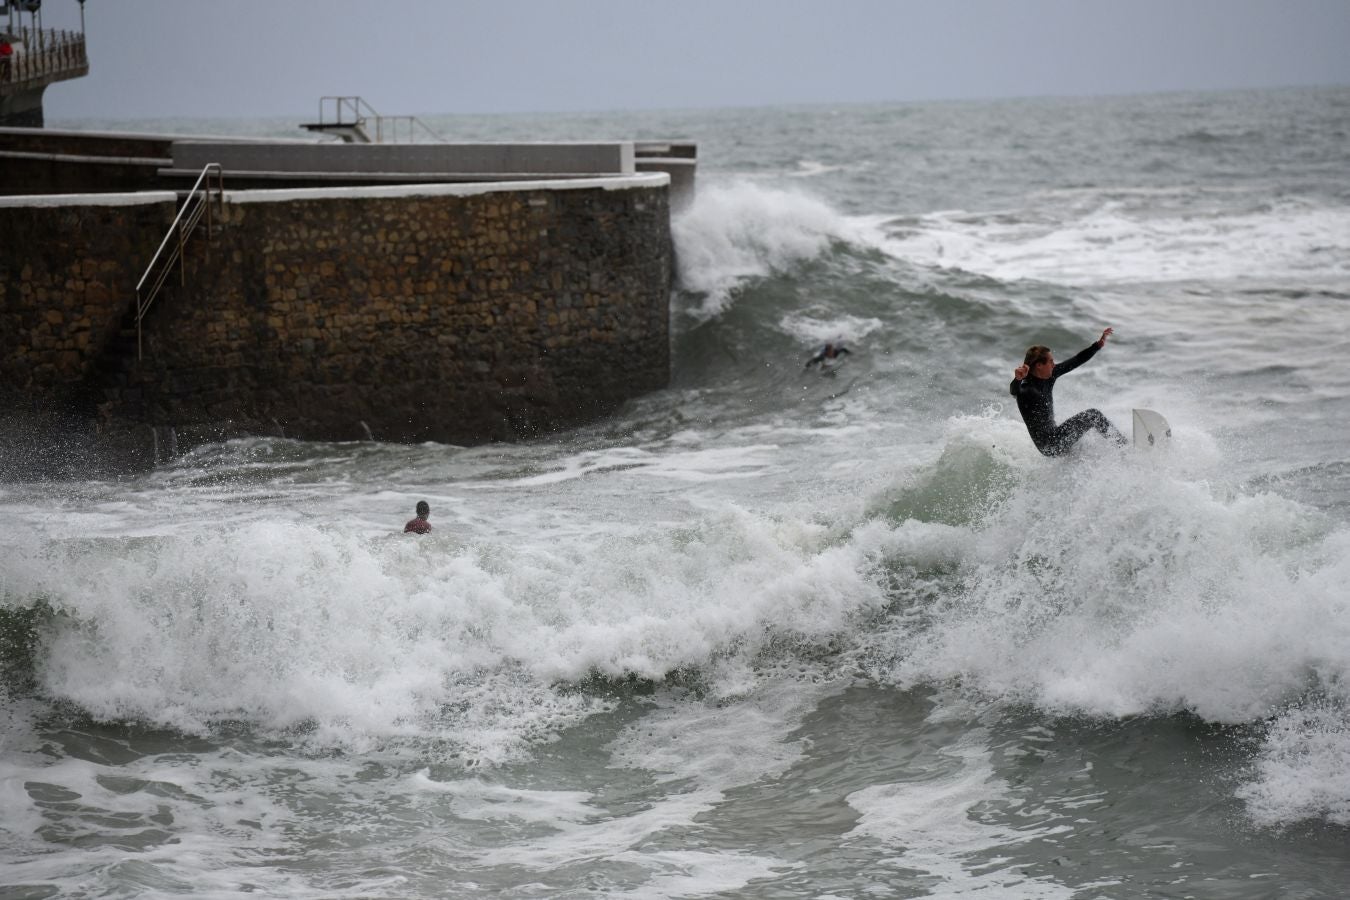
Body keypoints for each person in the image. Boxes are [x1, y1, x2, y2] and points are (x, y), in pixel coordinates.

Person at [1010, 327, 1128, 456]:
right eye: (1050, 362)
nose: (1054, 364)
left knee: (1086, 449)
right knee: (1093, 415)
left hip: (1056, 438)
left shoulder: (1049, 376)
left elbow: (1076, 360)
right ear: (1039, 365)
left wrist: (1097, 345)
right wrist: (1017, 379)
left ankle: (1113, 455)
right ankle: (1124, 448)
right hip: (1051, 445)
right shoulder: (1027, 389)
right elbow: (1015, 391)